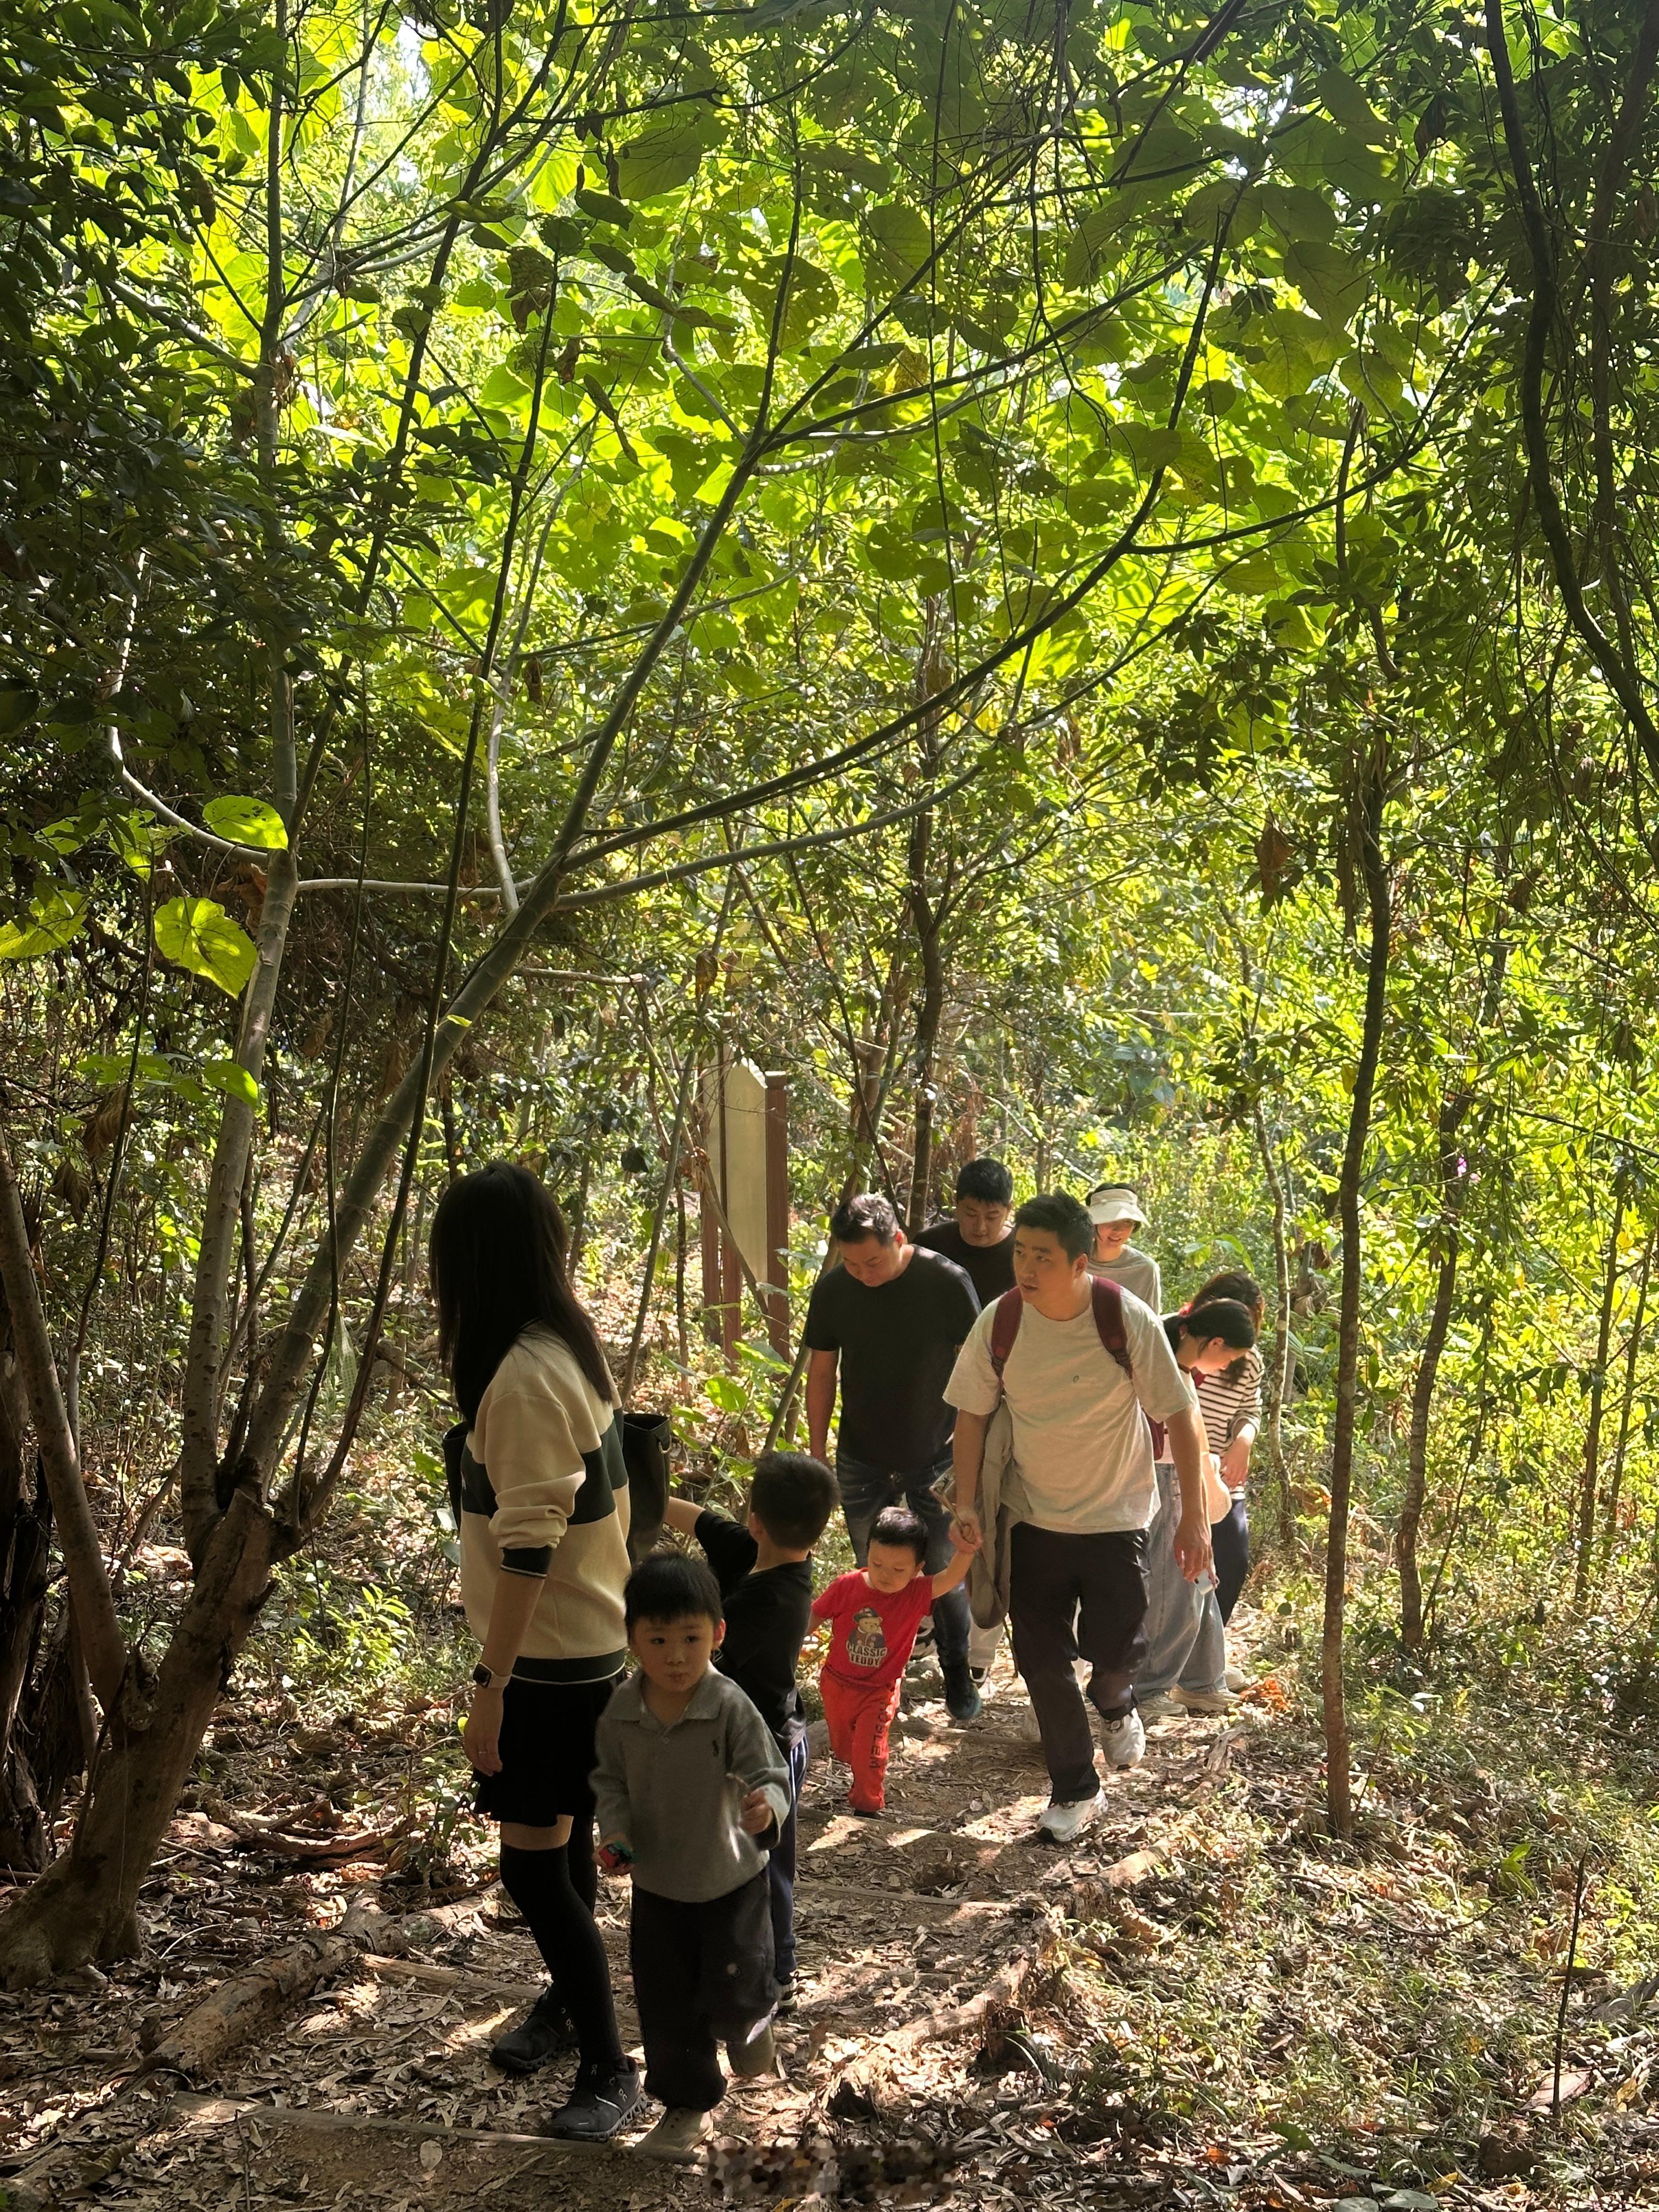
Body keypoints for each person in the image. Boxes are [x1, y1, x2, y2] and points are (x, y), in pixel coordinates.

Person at [432, 1162, 639, 2139]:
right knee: (556, 1849)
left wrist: (491, 1687)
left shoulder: (519, 1378)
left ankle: (608, 2063)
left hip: (551, 1664)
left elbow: (525, 1548)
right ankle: (567, 2006)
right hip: (589, 1643)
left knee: (529, 1871)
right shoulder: (566, 1345)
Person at [945, 1192, 1210, 1844]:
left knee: (1119, 1648)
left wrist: (1194, 1519)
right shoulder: (1001, 1322)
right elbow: (971, 1417)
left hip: (1117, 1515)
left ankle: (1115, 1704)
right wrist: (967, 1503)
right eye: (1020, 1254)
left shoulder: (1125, 1319)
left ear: (1080, 1263)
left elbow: (1180, 1415)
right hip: (1031, 1516)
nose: (1026, 1269)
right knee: (1041, 1657)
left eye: (1042, 1257)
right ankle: (1074, 1787)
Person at [592, 1554, 792, 2165]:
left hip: (731, 1877)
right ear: (631, 1640)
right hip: (660, 1885)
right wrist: (617, 1835)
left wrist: (769, 1809)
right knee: (668, 2001)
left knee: (737, 1989)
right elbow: (611, 1785)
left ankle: (754, 2027)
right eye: (657, 1640)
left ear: (718, 1634)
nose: (675, 1655)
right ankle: (686, 2106)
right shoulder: (622, 1714)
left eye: (690, 1638)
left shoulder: (728, 1704)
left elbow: (770, 1772)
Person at [659, 1451, 838, 2008]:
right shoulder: (751, 1551)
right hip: (737, 1743)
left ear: (757, 1517)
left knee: (764, 1866)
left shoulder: (777, 1598)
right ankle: (730, 1957)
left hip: (764, 1754)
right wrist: (635, 1498)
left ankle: (777, 1971)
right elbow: (694, 1518)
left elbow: (701, 1649)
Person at [804, 1192, 984, 1723]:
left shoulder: (945, 1282)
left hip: (935, 1453)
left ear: (899, 1241)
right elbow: (821, 1372)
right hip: (861, 1455)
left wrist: (979, 1453)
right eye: (851, 1263)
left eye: (873, 1262)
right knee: (873, 1578)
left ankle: (958, 1675)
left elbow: (980, 1370)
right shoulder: (836, 1288)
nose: (862, 1273)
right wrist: (819, 1454)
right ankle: (880, 1683)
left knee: (945, 1575)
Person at [1135, 1299, 1260, 1720]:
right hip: (1162, 1475)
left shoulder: (1184, 1366)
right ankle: (1149, 1688)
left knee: (1201, 1579)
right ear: (1216, 1341)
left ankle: (1203, 1680)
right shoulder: (1162, 1358)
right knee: (1175, 1587)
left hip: (1184, 1477)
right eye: (1229, 1356)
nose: (1227, 1366)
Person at [812, 1505, 975, 1814]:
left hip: (879, 1690)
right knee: (844, 1746)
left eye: (899, 1570)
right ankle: (856, 1766)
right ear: (867, 1554)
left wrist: (965, 1549)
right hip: (837, 1683)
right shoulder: (848, 1586)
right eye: (877, 1564)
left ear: (918, 1568)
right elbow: (816, 1613)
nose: (886, 1576)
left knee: (870, 1752)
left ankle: (867, 1805)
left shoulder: (916, 1593)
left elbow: (952, 1576)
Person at [1188, 1270, 1266, 1627]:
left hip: (1221, 1479)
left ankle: (1206, 1658)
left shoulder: (1248, 1361)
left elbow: (1249, 1410)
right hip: (1180, 1473)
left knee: (1232, 1558)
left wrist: (1243, 1443)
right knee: (1183, 1568)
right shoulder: (1182, 1343)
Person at [912, 1156, 1018, 1305]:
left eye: (991, 1217)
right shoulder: (929, 1244)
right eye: (971, 1214)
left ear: (1008, 1210)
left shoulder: (1021, 1253)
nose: (980, 1226)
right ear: (957, 1203)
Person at [1085, 1184, 1161, 1309]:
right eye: (1110, 1219)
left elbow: (1151, 1323)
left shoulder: (1145, 1269)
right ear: (1095, 1223)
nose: (1118, 1229)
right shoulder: (1074, 1261)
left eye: (1127, 1221)